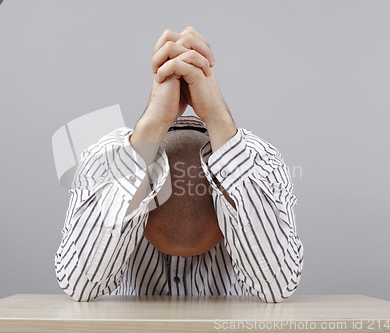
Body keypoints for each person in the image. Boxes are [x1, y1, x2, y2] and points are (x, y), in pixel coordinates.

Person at [55, 26, 304, 303]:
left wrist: (219, 119)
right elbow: (79, 285)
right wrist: (152, 125)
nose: (182, 256)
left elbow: (277, 286)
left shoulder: (258, 161)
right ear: (141, 214)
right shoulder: (106, 160)